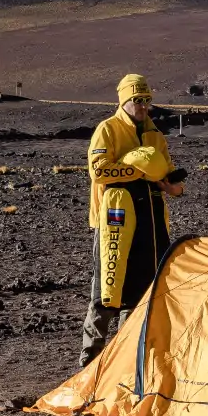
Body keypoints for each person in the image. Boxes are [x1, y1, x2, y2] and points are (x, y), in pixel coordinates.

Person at [79, 73, 186, 367]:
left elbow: (169, 176)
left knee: (142, 290)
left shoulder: (155, 135)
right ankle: (91, 359)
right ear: (124, 101)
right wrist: (138, 170)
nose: (142, 106)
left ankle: (127, 360)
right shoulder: (108, 130)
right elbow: (98, 171)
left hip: (150, 222)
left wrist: (171, 185)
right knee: (107, 287)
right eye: (136, 100)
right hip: (115, 221)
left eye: (146, 100)